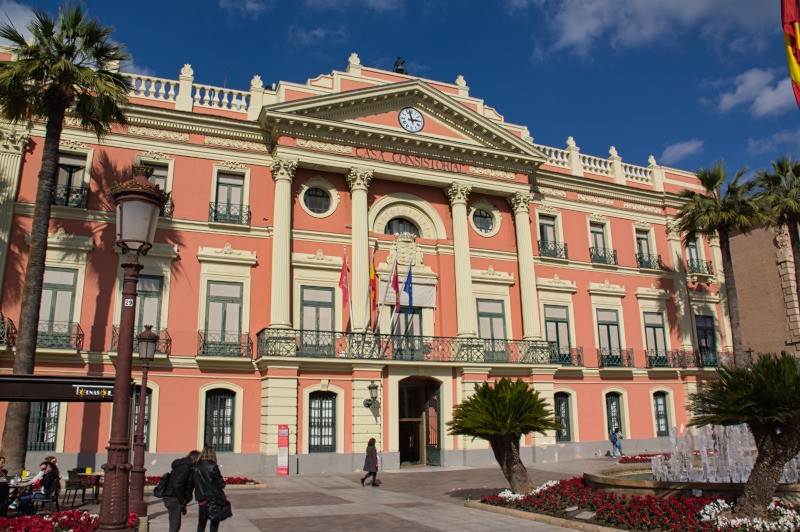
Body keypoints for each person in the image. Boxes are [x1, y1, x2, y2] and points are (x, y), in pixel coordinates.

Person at [163, 450, 200, 532]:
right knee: (174, 526)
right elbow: (177, 484)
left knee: (175, 525)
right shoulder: (185, 467)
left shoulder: (183, 465)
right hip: (173, 498)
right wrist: (182, 499)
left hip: (171, 496)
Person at [193, 446, 226, 532]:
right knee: (214, 523)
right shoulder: (213, 466)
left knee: (201, 523)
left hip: (201, 499)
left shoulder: (196, 466)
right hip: (213, 499)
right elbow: (221, 483)